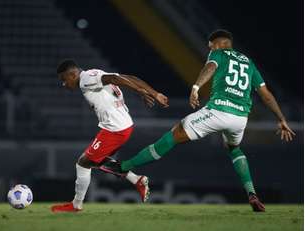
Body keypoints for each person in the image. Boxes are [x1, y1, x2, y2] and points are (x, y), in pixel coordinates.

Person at [103, 30, 296, 212]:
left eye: (210, 47)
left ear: (219, 44)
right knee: (234, 149)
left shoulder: (219, 54)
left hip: (218, 111)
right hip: (240, 119)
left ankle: (123, 167)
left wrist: (196, 87)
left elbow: (209, 67)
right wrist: (281, 119)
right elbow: (266, 95)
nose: (210, 50)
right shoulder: (249, 63)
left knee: (173, 135)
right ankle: (252, 194)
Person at [51, 60, 169, 212]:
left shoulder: (85, 80)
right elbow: (132, 78)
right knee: (96, 160)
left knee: (83, 163)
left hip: (115, 129)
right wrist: (154, 93)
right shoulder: (94, 73)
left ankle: (76, 205)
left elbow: (115, 79)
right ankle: (137, 180)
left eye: (64, 80)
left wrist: (143, 92)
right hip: (123, 125)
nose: (64, 84)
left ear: (73, 74)